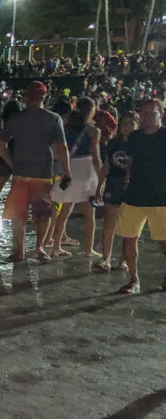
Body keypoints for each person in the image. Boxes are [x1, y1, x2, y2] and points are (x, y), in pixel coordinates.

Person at [0, 82, 71, 262]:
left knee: (18, 215)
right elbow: (62, 147)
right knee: (43, 214)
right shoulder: (54, 119)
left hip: (20, 173)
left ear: (27, 97)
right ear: (44, 97)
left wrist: (10, 162)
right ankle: (39, 247)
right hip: (43, 173)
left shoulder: (16, 119)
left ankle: (19, 251)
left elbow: (0, 143)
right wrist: (67, 170)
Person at [115, 98, 166, 294]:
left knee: (164, 241)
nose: (147, 117)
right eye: (143, 113)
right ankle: (133, 279)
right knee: (129, 237)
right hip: (135, 195)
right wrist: (126, 182)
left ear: (161, 114)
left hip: (161, 197)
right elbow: (130, 162)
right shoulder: (135, 137)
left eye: (151, 113)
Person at [50, 98, 101, 258]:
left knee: (64, 208)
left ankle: (56, 246)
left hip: (67, 171)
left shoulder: (64, 129)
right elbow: (96, 157)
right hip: (86, 172)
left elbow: (57, 152)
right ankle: (89, 249)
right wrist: (101, 178)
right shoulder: (94, 131)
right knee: (89, 213)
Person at [94, 111, 133, 272]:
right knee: (110, 222)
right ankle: (106, 258)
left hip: (132, 186)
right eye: (125, 123)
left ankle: (124, 260)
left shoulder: (139, 144)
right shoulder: (113, 143)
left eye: (131, 123)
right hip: (114, 183)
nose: (127, 127)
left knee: (128, 225)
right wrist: (99, 187)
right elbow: (106, 166)